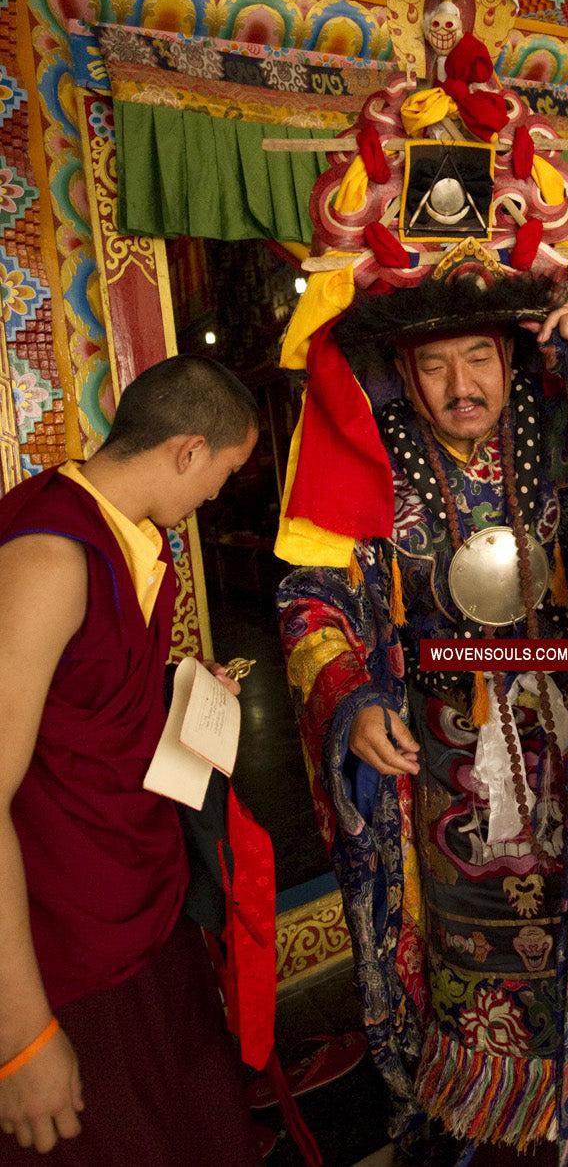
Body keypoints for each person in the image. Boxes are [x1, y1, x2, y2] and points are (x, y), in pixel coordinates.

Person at [277, 259, 568, 1167]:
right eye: (435, 365)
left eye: (479, 358)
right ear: (405, 373)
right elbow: (311, 596)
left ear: (508, 356)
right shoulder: (368, 458)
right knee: (484, 987)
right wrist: (350, 697)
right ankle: (503, 1129)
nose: (461, 387)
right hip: (454, 768)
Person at [0, 355, 262, 1163]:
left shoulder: (126, 539)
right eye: (225, 472)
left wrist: (175, 691)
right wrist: (21, 1035)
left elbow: (79, 698)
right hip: (67, 950)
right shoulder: (50, 556)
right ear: (188, 450)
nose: (216, 496)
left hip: (143, 910)